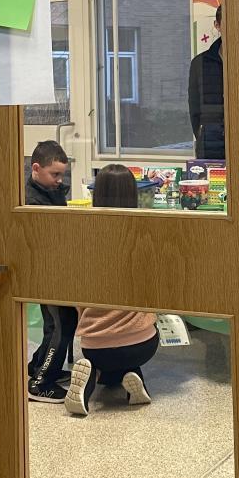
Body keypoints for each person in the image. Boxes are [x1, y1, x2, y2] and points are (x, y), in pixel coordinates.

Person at [64, 165, 159, 418]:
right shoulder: (144, 234)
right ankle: (133, 374)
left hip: (95, 345)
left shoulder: (84, 240)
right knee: (129, 352)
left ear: (96, 193)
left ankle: (89, 381)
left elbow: (74, 295)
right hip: (142, 343)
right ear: (134, 193)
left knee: (105, 360)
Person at [26, 141, 78, 404]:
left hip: (56, 267)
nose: (59, 180)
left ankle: (40, 365)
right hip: (46, 270)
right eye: (54, 174)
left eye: (62, 175)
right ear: (36, 168)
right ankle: (41, 382)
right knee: (62, 324)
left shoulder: (50, 191)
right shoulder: (32, 200)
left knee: (58, 322)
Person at [188, 4, 225, 159]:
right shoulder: (200, 62)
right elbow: (194, 107)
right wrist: (202, 134)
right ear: (217, 25)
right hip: (210, 143)